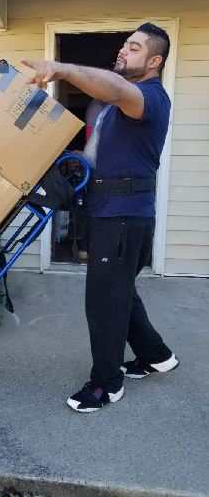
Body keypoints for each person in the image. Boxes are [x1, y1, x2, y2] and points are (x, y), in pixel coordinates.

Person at [22, 22, 179, 413]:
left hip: (123, 218)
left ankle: (107, 384)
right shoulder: (113, 107)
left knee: (105, 301)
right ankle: (156, 356)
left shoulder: (148, 98)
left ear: (155, 60)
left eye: (135, 47)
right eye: (125, 44)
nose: (124, 51)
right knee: (120, 293)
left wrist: (61, 69)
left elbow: (115, 87)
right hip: (108, 213)